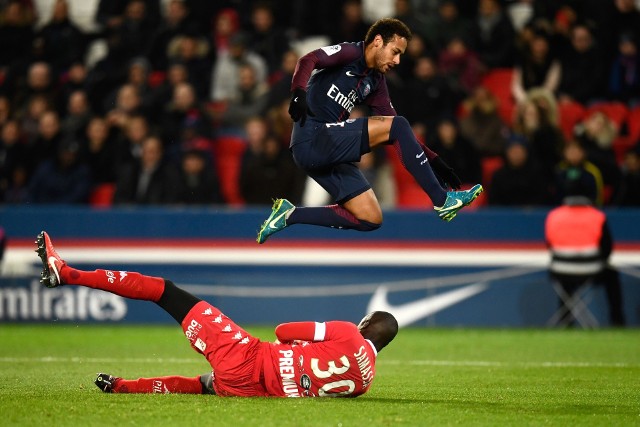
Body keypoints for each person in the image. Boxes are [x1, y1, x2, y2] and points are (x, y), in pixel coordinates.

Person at [35, 231, 398, 397]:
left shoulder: (350, 332)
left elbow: (285, 330)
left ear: (366, 325)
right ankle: (122, 387)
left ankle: (66, 272)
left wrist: (293, 348)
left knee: (165, 291)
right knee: (203, 386)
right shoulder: (365, 383)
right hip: (252, 391)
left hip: (250, 356)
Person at [256, 18, 483, 244]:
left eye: (401, 55)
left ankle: (289, 214)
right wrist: (298, 92)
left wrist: (434, 161)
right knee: (399, 125)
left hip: (326, 152)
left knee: (370, 217)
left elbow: (398, 133)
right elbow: (309, 59)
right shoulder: (349, 53)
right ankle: (442, 200)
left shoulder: (376, 82)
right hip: (313, 136)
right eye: (395, 51)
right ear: (377, 41)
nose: (397, 60)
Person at [544, 181, 626, 327]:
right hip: (592, 270)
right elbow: (607, 248)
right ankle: (617, 320)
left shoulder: (554, 215)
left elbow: (549, 245)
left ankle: (566, 321)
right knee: (611, 274)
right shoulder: (597, 216)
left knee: (566, 281)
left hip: (560, 270)